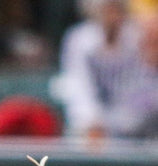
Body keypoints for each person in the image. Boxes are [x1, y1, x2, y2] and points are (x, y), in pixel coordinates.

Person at [56, 0, 157, 139]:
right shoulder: (80, 39)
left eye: (117, 10)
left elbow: (146, 88)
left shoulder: (137, 37)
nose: (113, 17)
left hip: (137, 130)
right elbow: (78, 87)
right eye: (107, 10)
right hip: (92, 131)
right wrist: (91, 122)